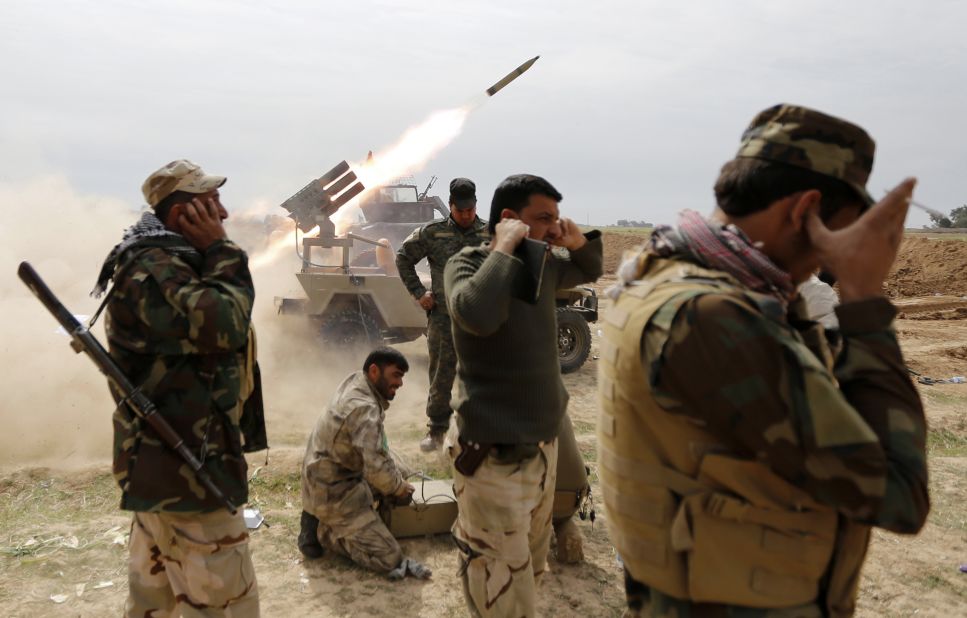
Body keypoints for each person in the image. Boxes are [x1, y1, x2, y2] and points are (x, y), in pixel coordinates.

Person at [598, 104, 929, 617]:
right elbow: (898, 494)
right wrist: (864, 296)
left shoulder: (658, 271)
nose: (827, 263)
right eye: (835, 241)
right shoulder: (713, 318)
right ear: (805, 211)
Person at [96, 159, 262, 616]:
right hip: (188, 474)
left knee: (159, 605)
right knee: (226, 604)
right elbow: (225, 324)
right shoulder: (156, 268)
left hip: (169, 468)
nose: (223, 213)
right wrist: (222, 251)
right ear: (183, 213)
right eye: (212, 203)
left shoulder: (165, 261)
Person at [444, 174, 603, 617]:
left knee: (529, 572)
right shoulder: (468, 263)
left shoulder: (543, 266)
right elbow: (476, 311)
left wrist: (579, 239)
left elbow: (588, 269)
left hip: (541, 451)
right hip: (494, 459)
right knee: (499, 587)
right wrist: (503, 248)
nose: (553, 228)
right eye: (544, 218)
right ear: (510, 220)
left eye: (556, 217)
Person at [299, 347, 432, 580]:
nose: (400, 383)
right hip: (334, 490)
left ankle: (314, 516)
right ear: (373, 371)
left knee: (401, 467)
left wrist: (397, 480)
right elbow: (377, 467)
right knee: (389, 557)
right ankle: (323, 532)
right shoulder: (364, 407)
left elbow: (376, 454)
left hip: (327, 474)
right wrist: (399, 488)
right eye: (396, 375)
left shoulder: (357, 382)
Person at [395, 177, 490, 452]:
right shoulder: (432, 233)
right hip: (443, 318)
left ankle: (476, 431)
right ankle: (436, 432)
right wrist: (418, 293)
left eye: (470, 210)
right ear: (451, 206)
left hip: (479, 319)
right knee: (441, 375)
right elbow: (403, 257)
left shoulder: (489, 233)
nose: (466, 215)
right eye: (461, 211)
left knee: (480, 377)